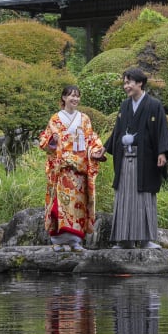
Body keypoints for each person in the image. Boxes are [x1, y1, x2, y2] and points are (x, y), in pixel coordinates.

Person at [104, 67, 168, 249]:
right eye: (125, 83)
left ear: (140, 83)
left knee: (144, 197)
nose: (126, 86)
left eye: (129, 82)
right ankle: (124, 240)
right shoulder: (124, 106)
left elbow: (161, 130)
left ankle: (145, 240)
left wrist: (162, 152)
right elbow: (117, 132)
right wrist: (103, 149)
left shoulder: (154, 105)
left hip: (145, 160)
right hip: (125, 159)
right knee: (124, 196)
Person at [38, 85, 105, 252]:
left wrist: (96, 152)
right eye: (71, 96)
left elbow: (92, 139)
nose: (75, 99)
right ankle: (57, 240)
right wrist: (53, 141)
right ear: (63, 98)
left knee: (78, 206)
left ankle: (75, 241)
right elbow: (45, 141)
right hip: (62, 170)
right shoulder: (55, 119)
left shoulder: (84, 119)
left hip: (79, 171)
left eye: (77, 96)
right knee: (59, 206)